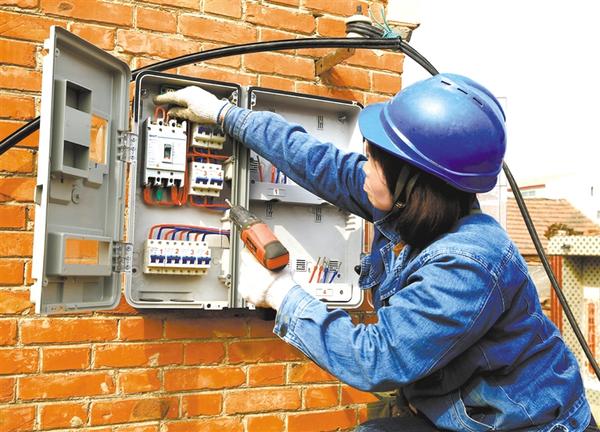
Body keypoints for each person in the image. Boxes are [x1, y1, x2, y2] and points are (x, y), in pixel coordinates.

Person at [155, 74, 595, 431]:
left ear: (412, 180)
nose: (362, 168)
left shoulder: (468, 264)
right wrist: (226, 114)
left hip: (523, 425)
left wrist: (282, 294)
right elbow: (319, 162)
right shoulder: (410, 205)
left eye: (373, 160)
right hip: (460, 410)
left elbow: (377, 359)